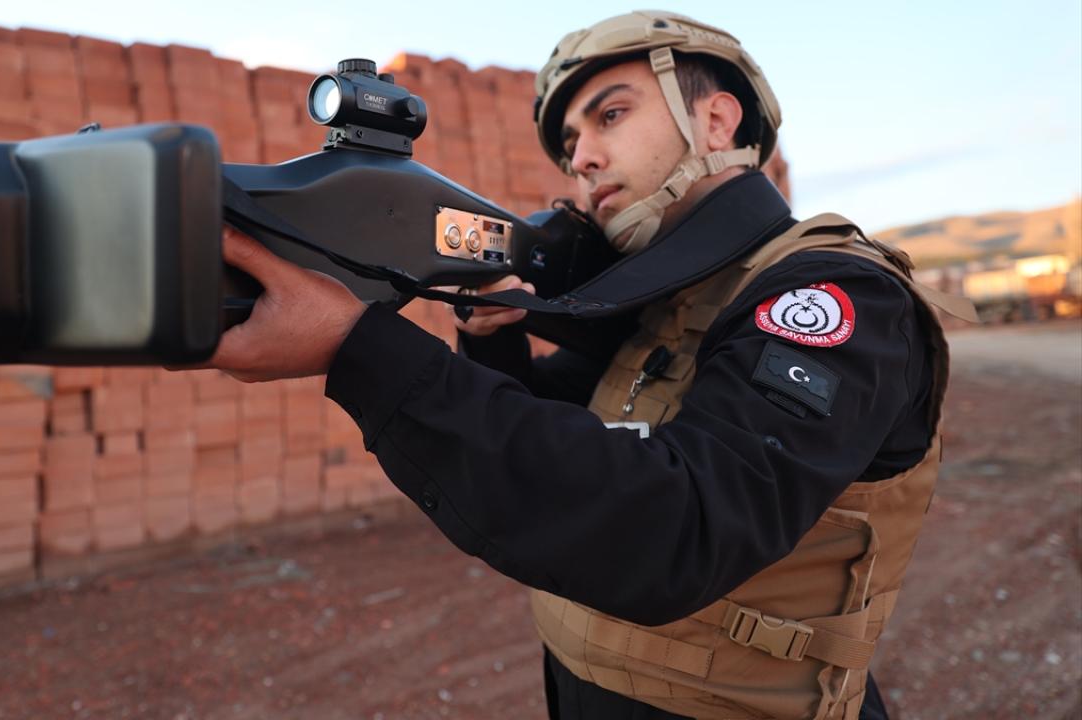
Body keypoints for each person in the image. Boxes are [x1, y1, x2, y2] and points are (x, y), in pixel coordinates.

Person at [202, 10, 975, 719]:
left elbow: (683, 526)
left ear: (715, 117)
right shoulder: (675, 309)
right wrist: (493, 331)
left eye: (610, 115)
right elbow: (563, 446)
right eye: (571, 144)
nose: (584, 158)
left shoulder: (831, 293)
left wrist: (358, 349)